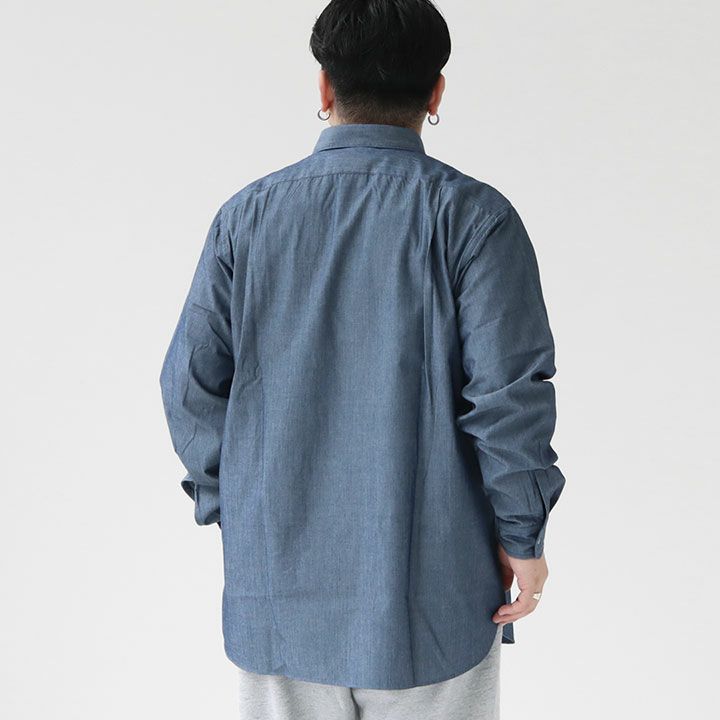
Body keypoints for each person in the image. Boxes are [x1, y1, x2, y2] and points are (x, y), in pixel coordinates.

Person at [159, 1, 566, 717]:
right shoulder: (476, 219)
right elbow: (509, 401)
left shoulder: (247, 218)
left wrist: (242, 510)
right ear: (436, 92)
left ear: (324, 86)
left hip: (277, 593)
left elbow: (189, 386)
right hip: (436, 594)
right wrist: (521, 536)